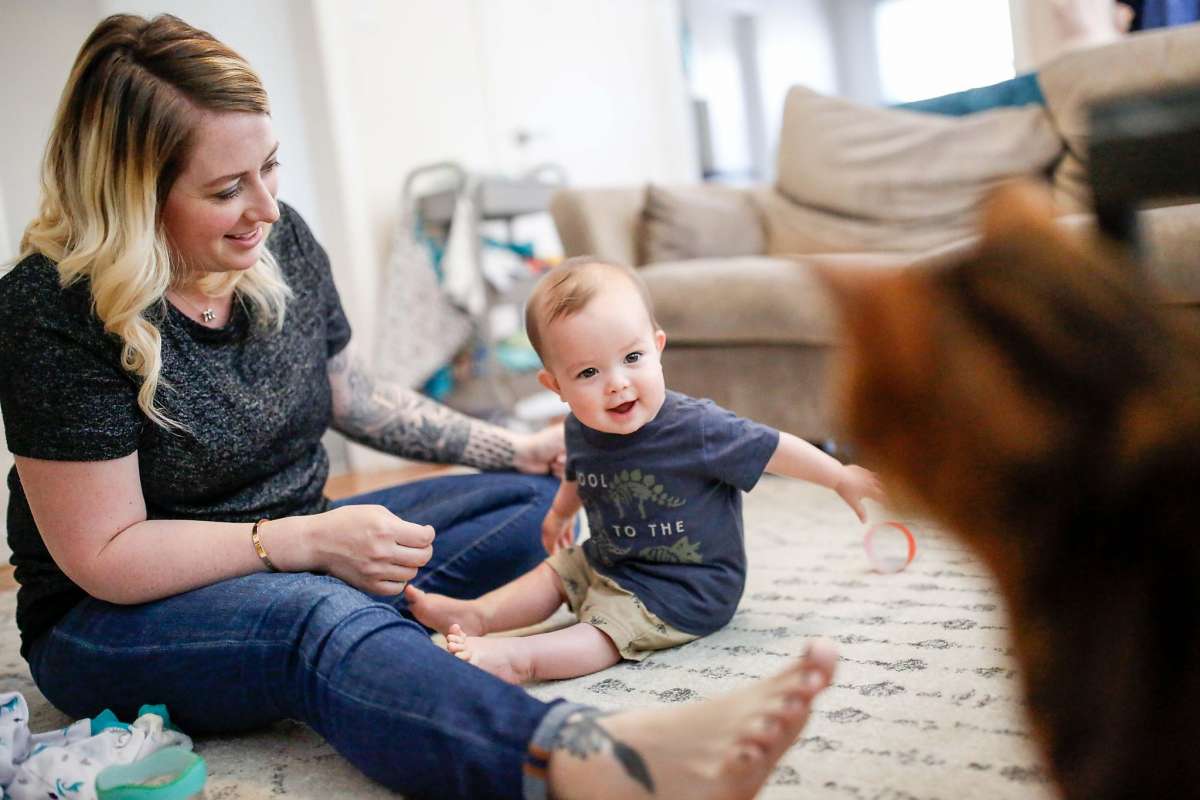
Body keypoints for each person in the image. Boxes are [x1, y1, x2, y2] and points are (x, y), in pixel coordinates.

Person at [0, 14, 839, 800]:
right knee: (314, 614)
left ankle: (373, 656)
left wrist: (518, 450)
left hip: (294, 541)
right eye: (226, 189)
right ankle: (580, 762)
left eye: (271, 166)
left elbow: (348, 393)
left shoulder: (278, 238)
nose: (265, 206)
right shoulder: (51, 308)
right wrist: (302, 544)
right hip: (111, 618)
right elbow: (103, 554)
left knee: (527, 511)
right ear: (133, 195)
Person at [406, 258, 883, 684]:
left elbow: (773, 447)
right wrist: (557, 515)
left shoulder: (697, 427)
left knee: (604, 633)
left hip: (686, 589)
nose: (616, 385)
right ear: (556, 386)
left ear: (657, 348)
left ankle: (522, 660)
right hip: (612, 558)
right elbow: (580, 474)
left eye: (632, 358)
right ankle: (479, 616)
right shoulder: (578, 427)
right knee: (558, 570)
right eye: (588, 373)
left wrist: (838, 476)